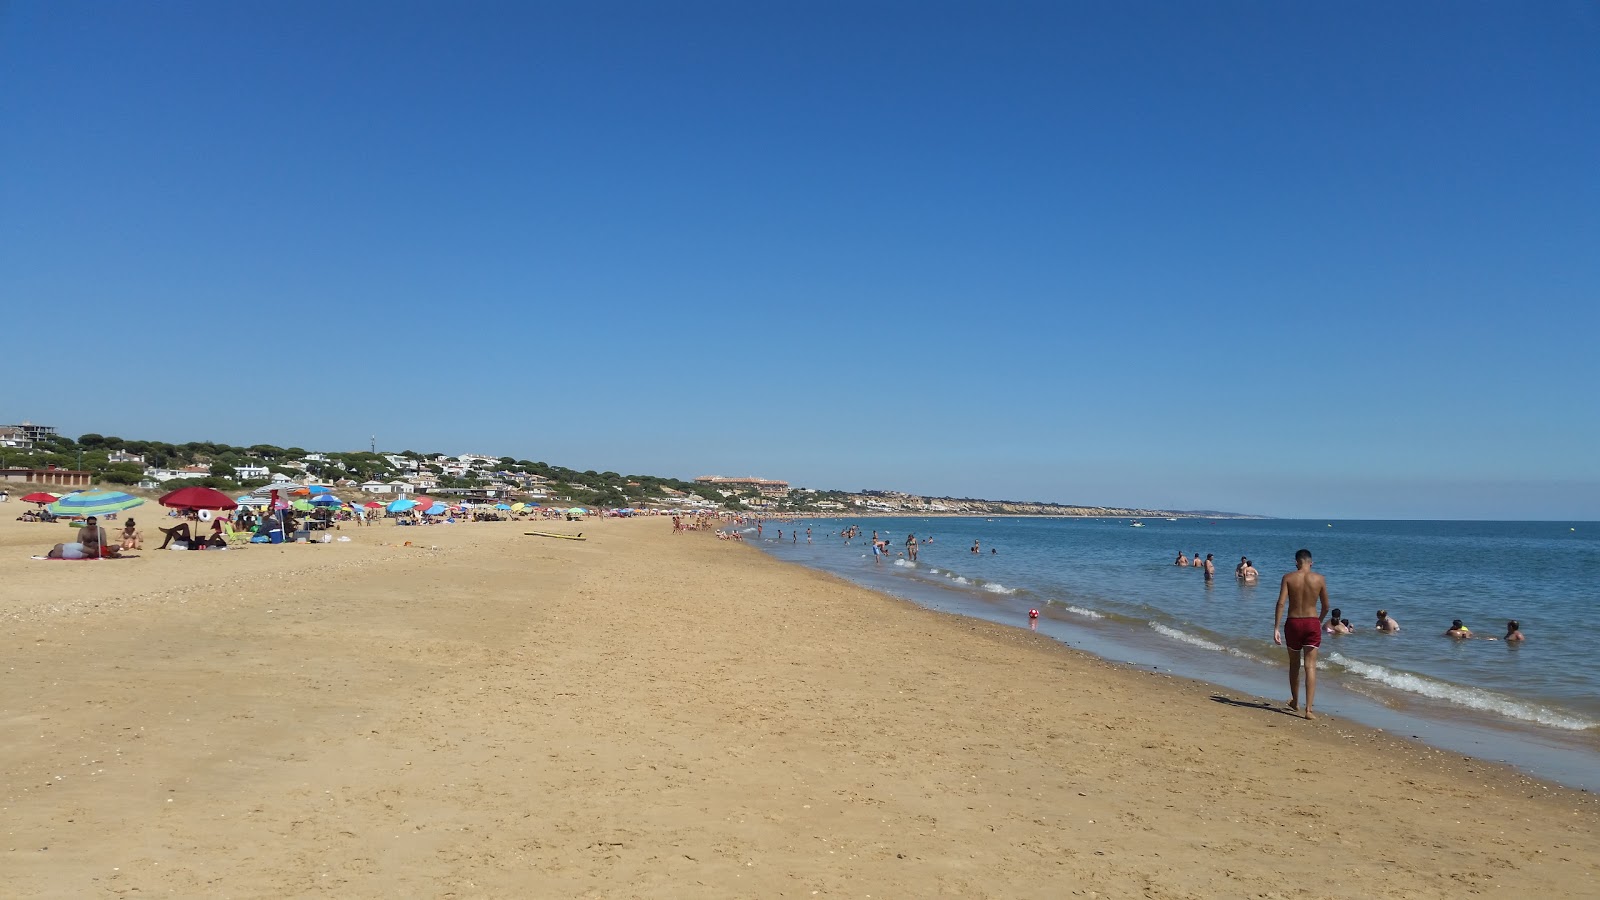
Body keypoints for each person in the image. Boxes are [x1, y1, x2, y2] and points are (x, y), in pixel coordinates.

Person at [1272, 548, 1329, 719]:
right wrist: (1318, 621)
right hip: (1311, 622)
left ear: (1296, 562)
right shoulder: (1319, 579)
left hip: (1293, 623)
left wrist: (1276, 627)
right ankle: (1309, 710)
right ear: (1311, 563)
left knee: (1294, 664)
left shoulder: (1288, 578)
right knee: (1310, 666)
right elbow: (1326, 606)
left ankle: (1295, 701)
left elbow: (1281, 603)